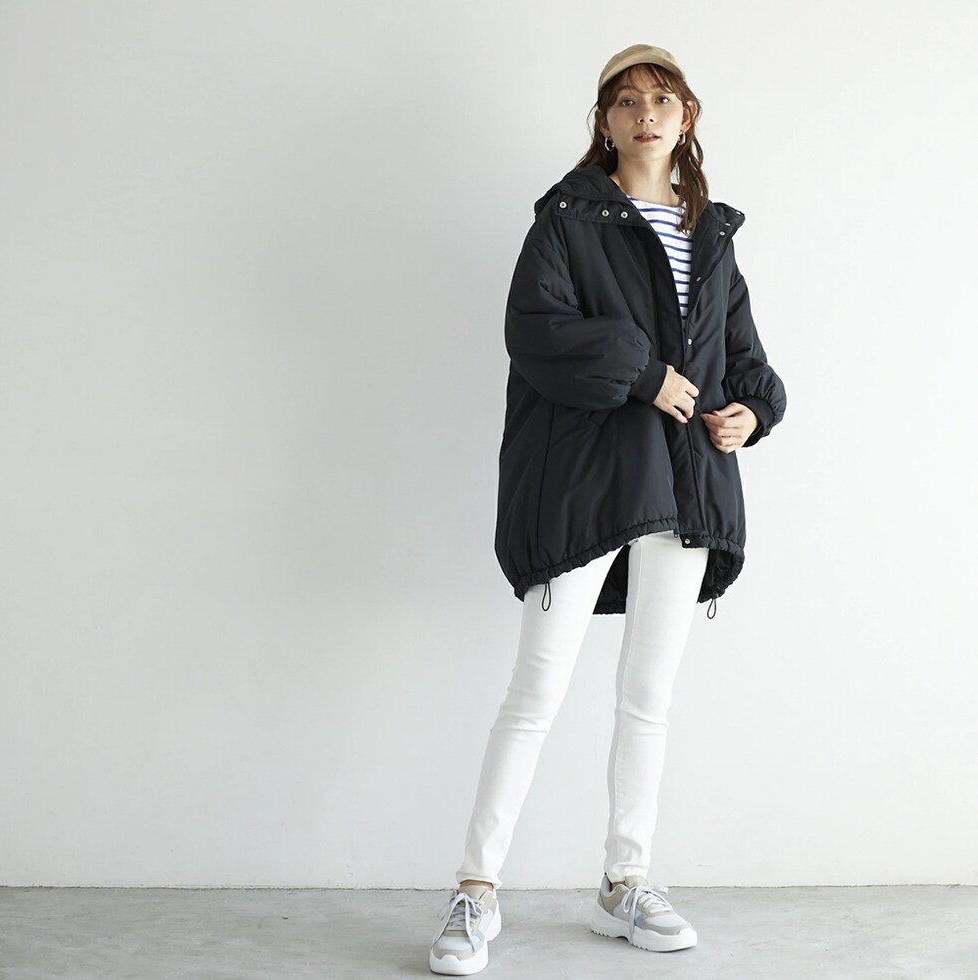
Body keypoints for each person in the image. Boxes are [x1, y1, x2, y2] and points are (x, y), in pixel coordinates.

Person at [428, 43, 787, 975]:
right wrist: (645, 374)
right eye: (626, 101)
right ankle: (475, 891)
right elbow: (536, 329)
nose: (645, 114)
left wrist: (753, 412)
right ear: (605, 120)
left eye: (662, 99)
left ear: (687, 116)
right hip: (591, 479)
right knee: (536, 692)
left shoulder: (712, 233)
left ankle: (626, 883)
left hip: (687, 484)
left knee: (648, 698)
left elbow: (745, 357)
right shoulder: (566, 220)